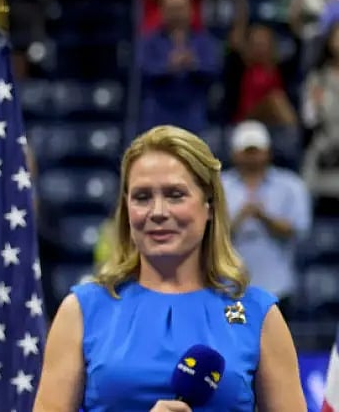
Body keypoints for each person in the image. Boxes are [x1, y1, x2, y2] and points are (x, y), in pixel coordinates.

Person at [33, 125, 306, 411]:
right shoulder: (82, 310)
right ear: (126, 209)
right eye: (142, 197)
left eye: (175, 195)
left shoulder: (258, 313)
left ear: (209, 206)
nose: (158, 212)